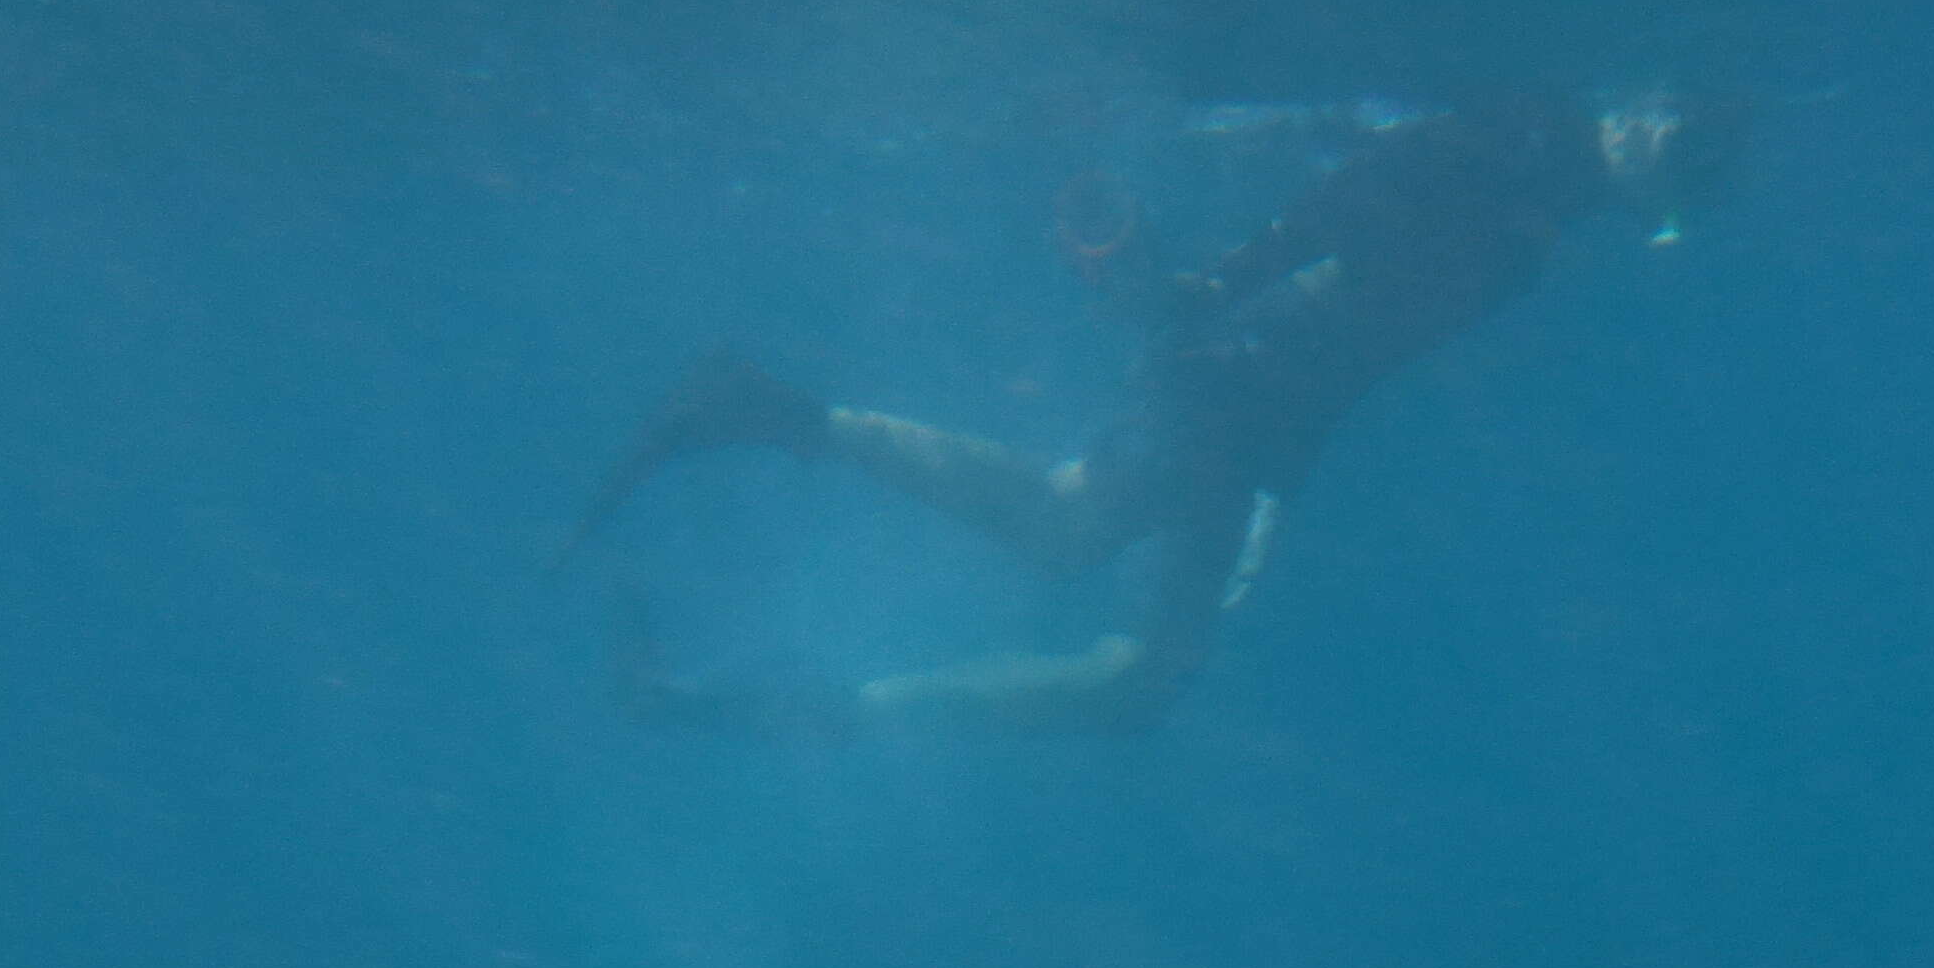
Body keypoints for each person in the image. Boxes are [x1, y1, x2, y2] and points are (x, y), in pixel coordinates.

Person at [574, 91, 1738, 736]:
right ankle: (814, 695)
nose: (1665, 168)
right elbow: (1348, 222)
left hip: (1250, 396)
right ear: (1644, 133)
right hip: (1238, 390)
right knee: (1118, 632)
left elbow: (1361, 306)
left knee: (1079, 557)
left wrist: (1273, 455)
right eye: (1678, 151)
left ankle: (780, 473)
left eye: (1686, 173)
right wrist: (1220, 320)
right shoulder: (1513, 155)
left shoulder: (1536, 196)